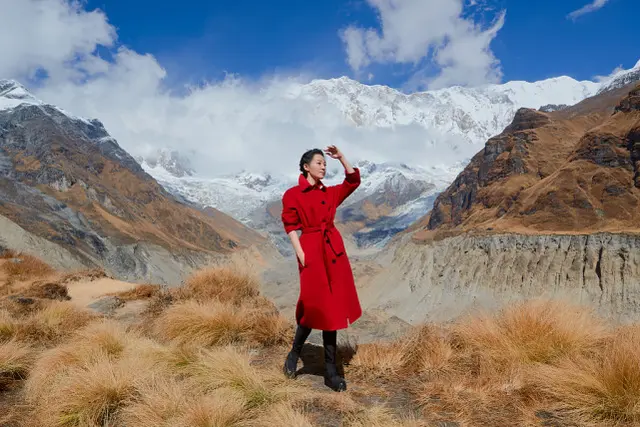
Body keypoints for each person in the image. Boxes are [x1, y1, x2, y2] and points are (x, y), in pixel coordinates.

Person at [280, 145, 362, 392]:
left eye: (325, 163)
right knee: (312, 305)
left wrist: (342, 158)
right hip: (311, 251)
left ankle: (330, 371)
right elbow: (290, 226)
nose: (324, 166)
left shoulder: (330, 192)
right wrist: (301, 253)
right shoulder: (292, 194)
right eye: (319, 162)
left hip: (333, 252)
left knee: (333, 310)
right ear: (306, 167)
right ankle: (294, 354)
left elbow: (353, 181)